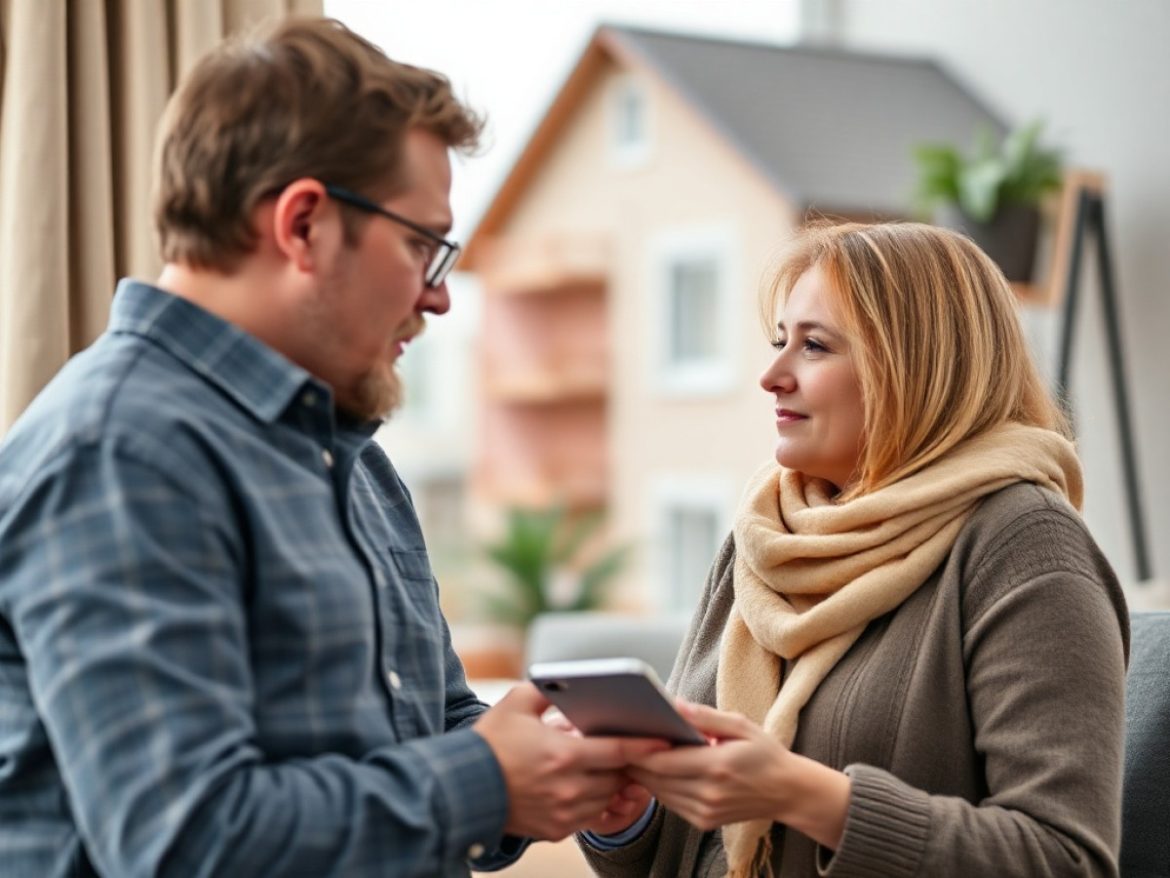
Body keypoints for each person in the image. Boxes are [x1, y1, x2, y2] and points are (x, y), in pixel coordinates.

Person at [0, 17, 660, 878]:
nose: (440, 299)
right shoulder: (121, 451)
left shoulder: (352, 457)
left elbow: (427, 731)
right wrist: (485, 781)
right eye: (422, 244)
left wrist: (554, 764)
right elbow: (187, 843)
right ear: (304, 223)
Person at [579, 221, 1129, 877]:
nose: (771, 376)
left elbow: (1064, 859)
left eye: (814, 346)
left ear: (916, 367)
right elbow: (702, 850)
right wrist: (630, 815)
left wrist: (805, 796)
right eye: (780, 341)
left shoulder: (1020, 542)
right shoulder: (763, 538)